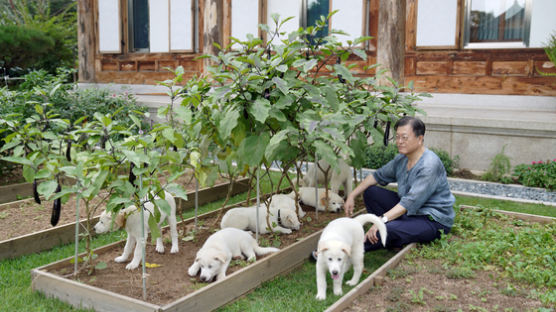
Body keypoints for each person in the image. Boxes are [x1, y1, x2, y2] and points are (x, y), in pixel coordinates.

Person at [343, 116, 455, 251]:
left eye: (404, 137)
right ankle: (396, 236)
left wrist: (381, 221)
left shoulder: (429, 165)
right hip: (410, 213)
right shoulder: (402, 159)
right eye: (397, 137)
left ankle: (343, 250)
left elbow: (409, 202)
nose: (399, 142)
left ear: (419, 139)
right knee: (371, 192)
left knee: (385, 229)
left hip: (431, 220)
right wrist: (352, 195)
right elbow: (377, 176)